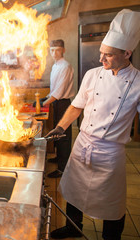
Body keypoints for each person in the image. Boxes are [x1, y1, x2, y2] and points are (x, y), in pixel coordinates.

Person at [47, 9, 140, 240]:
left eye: (107, 55)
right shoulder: (92, 74)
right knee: (74, 191)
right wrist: (61, 127)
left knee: (112, 203)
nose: (101, 59)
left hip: (110, 152)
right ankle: (73, 227)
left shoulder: (138, 82)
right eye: (101, 53)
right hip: (83, 143)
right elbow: (76, 106)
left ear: (127, 53)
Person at [42, 39, 75, 178]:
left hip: (63, 104)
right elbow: (53, 89)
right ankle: (58, 157)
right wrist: (45, 98)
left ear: (63, 50)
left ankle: (63, 168)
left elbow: (59, 92)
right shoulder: (56, 66)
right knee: (57, 132)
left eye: (57, 50)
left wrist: (43, 103)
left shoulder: (65, 66)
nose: (54, 53)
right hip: (56, 102)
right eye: (52, 50)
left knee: (63, 135)